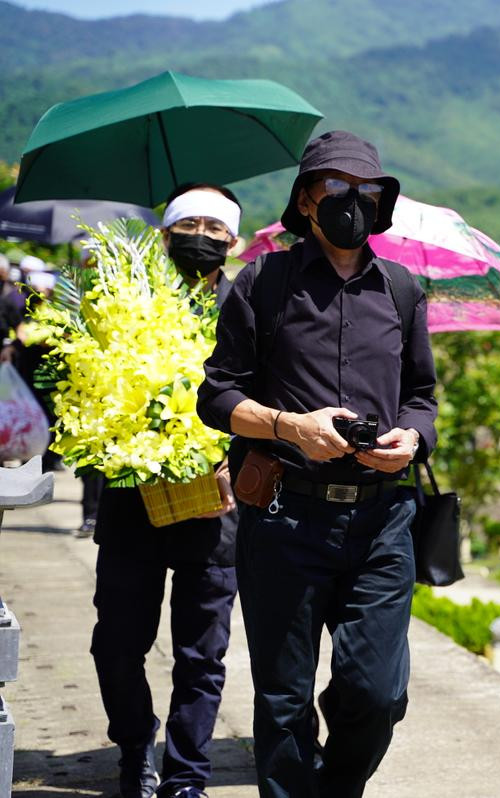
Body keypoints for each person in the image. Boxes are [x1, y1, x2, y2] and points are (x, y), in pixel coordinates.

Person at [196, 130, 437, 798]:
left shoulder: (401, 291)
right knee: (282, 701)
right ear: (305, 200)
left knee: (378, 693)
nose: (351, 203)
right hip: (284, 518)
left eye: (366, 192)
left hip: (383, 521)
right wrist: (288, 428)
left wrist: (412, 440)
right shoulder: (263, 282)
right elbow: (217, 396)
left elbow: (422, 398)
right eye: (335, 188)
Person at [90, 184, 243, 798]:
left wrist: (237, 459)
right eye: (188, 224)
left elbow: (270, 396)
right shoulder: (124, 307)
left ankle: (186, 775)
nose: (200, 236)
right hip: (132, 503)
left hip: (218, 507)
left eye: (214, 226)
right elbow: (89, 385)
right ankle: (134, 747)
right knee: (116, 645)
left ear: (232, 241)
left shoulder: (248, 309)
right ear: (164, 235)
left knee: (202, 655)